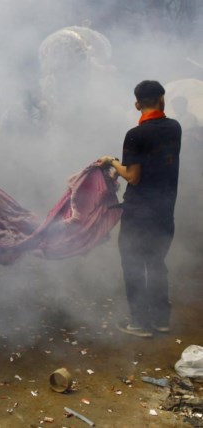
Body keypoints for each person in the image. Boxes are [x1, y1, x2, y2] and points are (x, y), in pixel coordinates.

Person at [98, 80, 181, 338]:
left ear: (137, 105)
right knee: (156, 263)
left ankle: (140, 323)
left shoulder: (136, 135)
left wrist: (112, 161)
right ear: (162, 99)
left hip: (139, 213)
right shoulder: (175, 128)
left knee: (133, 264)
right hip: (164, 211)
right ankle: (161, 320)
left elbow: (133, 176)